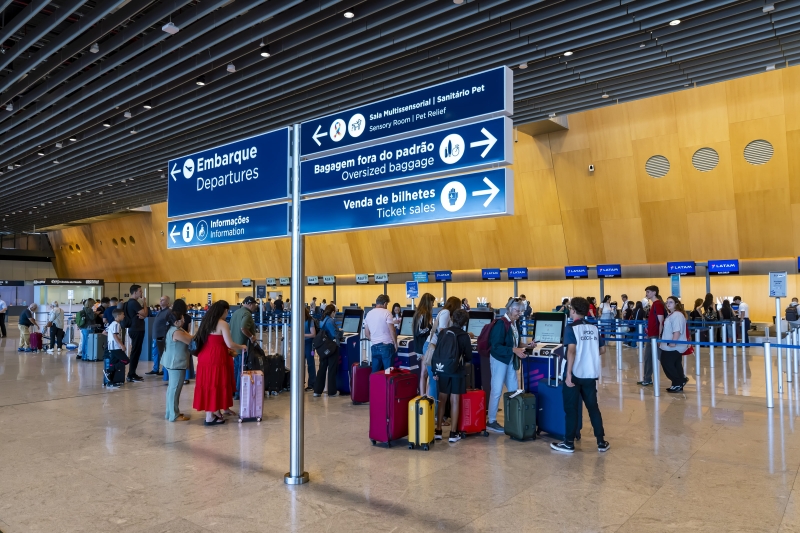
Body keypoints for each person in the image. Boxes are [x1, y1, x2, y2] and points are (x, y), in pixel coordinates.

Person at [550, 297, 610, 453]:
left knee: (571, 409)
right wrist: (588, 355)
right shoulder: (594, 328)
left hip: (575, 374)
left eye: (571, 309)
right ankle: (601, 442)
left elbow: (571, 351)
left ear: (574, 311)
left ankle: (569, 443)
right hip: (590, 374)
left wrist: (568, 373)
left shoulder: (571, 328)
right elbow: (602, 349)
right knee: (593, 408)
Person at [193, 300, 246, 425]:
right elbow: (230, 343)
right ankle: (210, 416)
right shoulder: (223, 324)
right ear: (225, 311)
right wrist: (242, 346)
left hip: (204, 357)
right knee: (217, 383)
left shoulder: (206, 322)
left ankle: (213, 412)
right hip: (217, 358)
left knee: (208, 384)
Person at [486, 299, 529, 433]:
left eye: (521, 311)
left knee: (514, 389)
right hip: (499, 360)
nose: (519, 314)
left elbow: (515, 343)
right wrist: (514, 350)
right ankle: (491, 421)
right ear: (510, 309)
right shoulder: (501, 324)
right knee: (497, 390)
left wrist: (527, 346)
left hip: (509, 359)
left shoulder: (513, 323)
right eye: (517, 311)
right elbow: (495, 346)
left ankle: (514, 419)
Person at [432, 309, 472, 443]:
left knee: (442, 398)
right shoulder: (464, 336)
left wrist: (436, 371)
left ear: (453, 319)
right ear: (465, 322)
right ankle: (453, 433)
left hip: (442, 369)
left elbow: (437, 351)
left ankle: (438, 430)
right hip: (457, 370)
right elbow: (469, 356)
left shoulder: (443, 332)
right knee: (454, 400)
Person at [424, 296, 461, 417]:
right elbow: (442, 332)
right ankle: (434, 415)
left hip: (434, 346)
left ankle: (436, 414)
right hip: (433, 347)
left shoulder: (444, 312)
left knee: (435, 380)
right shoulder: (445, 312)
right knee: (434, 380)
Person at [162, 299, 192, 421]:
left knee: (172, 389)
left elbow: (190, 337)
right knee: (175, 390)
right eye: (182, 319)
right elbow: (191, 341)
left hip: (172, 362)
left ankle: (170, 412)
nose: (184, 320)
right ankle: (174, 414)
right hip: (176, 363)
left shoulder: (175, 329)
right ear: (176, 322)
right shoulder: (176, 332)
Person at [230, 296, 258, 400]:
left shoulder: (236, 312)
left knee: (235, 369)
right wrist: (251, 336)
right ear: (250, 304)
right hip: (243, 347)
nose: (255, 307)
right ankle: (238, 392)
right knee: (241, 370)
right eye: (254, 304)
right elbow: (243, 327)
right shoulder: (247, 314)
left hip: (234, 346)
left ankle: (233, 391)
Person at [660, 296, 689, 393]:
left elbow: (677, 330)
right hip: (671, 345)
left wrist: (673, 342)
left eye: (671, 302)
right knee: (676, 364)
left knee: (667, 363)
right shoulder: (672, 314)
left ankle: (678, 382)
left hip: (673, 346)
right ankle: (678, 382)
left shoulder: (677, 315)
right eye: (667, 302)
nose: (668, 304)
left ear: (676, 304)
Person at [637, 285, 665, 387]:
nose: (646, 294)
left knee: (663, 358)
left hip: (655, 336)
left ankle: (678, 377)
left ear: (654, 292)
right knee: (648, 358)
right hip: (651, 336)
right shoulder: (654, 304)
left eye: (648, 292)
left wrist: (660, 337)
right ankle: (647, 378)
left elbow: (661, 322)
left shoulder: (658, 304)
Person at [364, 294, 397, 372]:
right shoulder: (387, 312)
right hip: (386, 346)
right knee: (388, 372)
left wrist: (375, 339)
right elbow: (392, 330)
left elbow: (366, 333)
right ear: (385, 303)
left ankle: (373, 381)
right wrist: (395, 343)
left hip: (374, 347)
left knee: (375, 373)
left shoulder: (369, 314)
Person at [314, 304, 340, 397]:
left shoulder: (322, 320)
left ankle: (317, 391)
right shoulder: (330, 320)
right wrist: (340, 333)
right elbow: (334, 334)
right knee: (332, 369)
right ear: (332, 312)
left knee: (322, 369)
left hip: (323, 347)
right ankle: (332, 392)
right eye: (334, 312)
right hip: (331, 347)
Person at [413, 293, 435, 402]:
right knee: (425, 372)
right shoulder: (424, 314)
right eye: (432, 302)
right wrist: (431, 328)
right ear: (428, 302)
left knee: (424, 372)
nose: (433, 305)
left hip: (420, 346)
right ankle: (424, 396)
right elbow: (419, 331)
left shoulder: (419, 313)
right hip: (423, 346)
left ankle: (423, 396)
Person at [124, 285, 148, 382]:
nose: (141, 293)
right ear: (135, 292)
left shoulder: (129, 303)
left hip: (133, 329)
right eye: (140, 291)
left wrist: (143, 315)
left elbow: (143, 315)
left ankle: (132, 373)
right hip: (137, 329)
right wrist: (144, 303)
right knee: (135, 352)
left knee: (135, 351)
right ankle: (131, 374)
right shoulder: (134, 303)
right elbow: (145, 313)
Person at [147, 296, 175, 376]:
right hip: (156, 336)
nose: (161, 301)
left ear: (167, 303)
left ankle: (164, 369)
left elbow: (170, 324)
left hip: (162, 336)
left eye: (163, 300)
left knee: (163, 353)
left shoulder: (169, 312)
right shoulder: (160, 311)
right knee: (155, 353)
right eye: (160, 299)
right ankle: (155, 369)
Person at [103, 308, 129, 388]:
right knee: (126, 360)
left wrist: (110, 337)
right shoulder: (116, 324)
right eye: (123, 314)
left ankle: (110, 381)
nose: (124, 316)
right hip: (116, 347)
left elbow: (104, 332)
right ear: (118, 316)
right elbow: (115, 335)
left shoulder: (111, 324)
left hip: (111, 347)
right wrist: (121, 345)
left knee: (113, 362)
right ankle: (109, 371)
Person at [303, 306, 317, 391]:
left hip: (309, 343)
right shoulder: (298, 320)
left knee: (310, 363)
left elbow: (313, 334)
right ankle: (301, 382)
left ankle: (312, 384)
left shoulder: (310, 321)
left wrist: (302, 335)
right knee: (301, 364)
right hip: (301, 344)